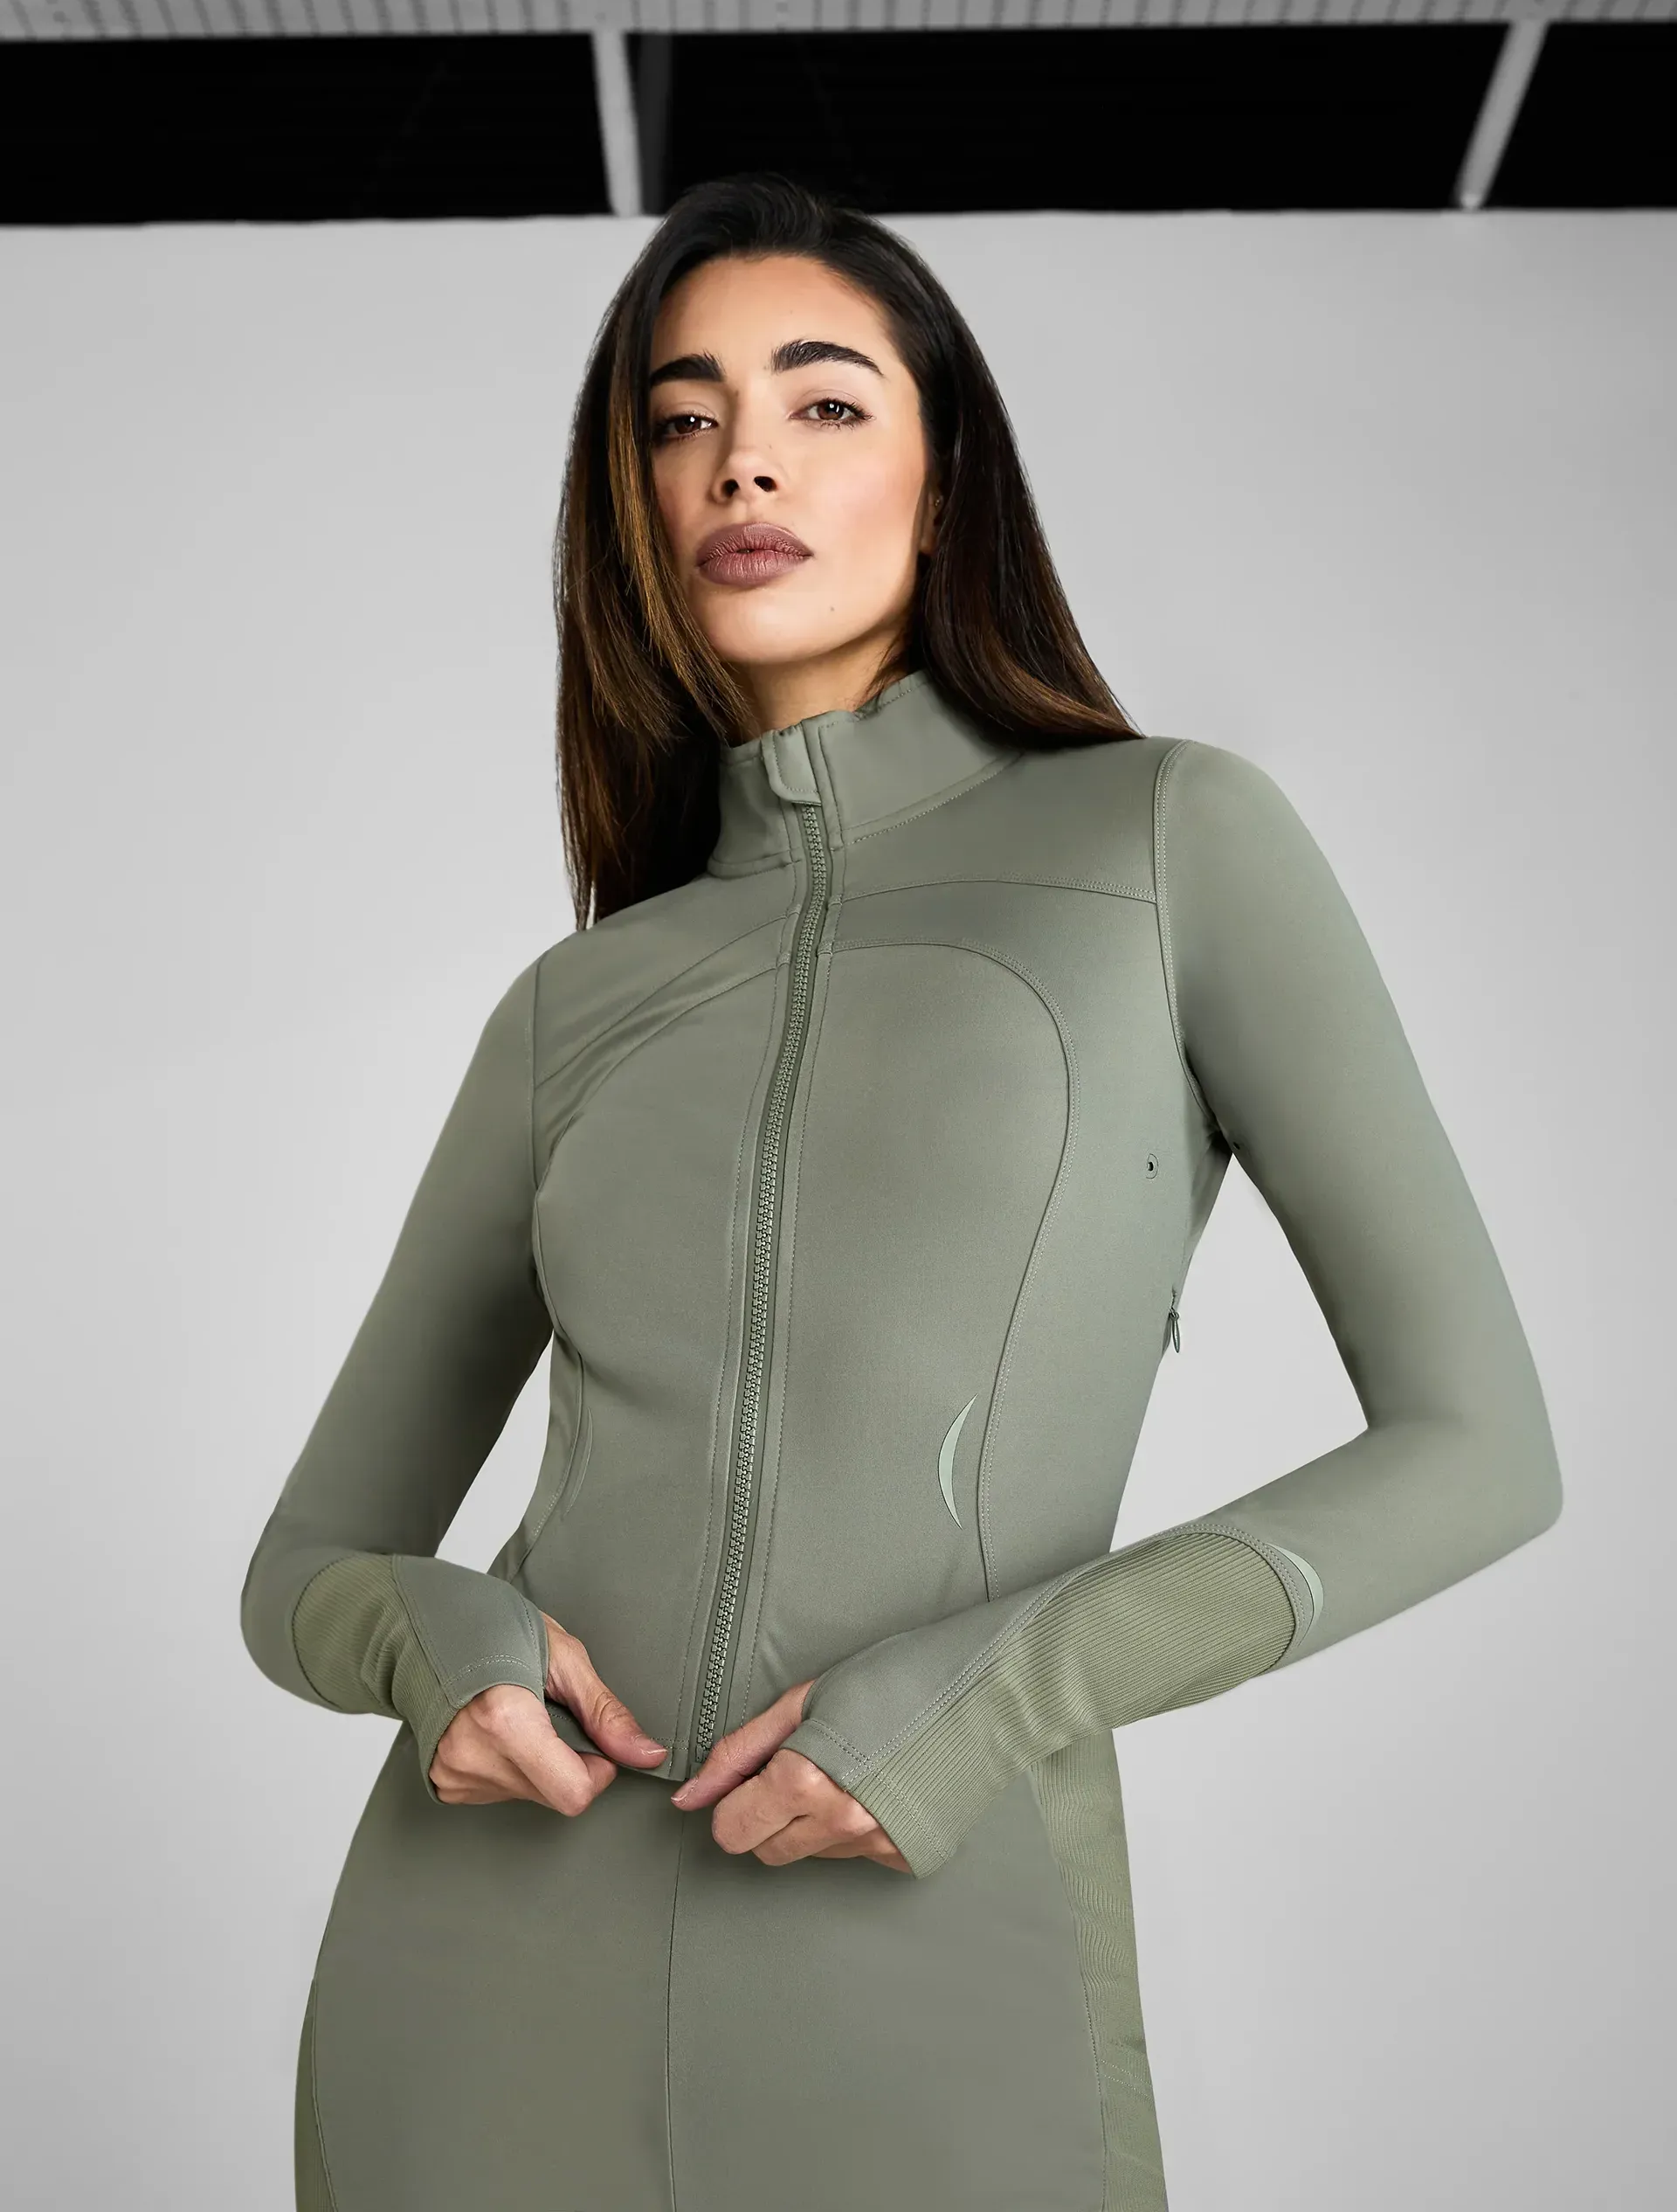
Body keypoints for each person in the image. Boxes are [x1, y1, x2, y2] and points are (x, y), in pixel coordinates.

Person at [240, 171, 1563, 2212]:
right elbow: (305, 1569)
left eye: (824, 401)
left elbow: (1482, 1453)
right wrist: (438, 1636)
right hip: (478, 1984)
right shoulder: (573, 1005)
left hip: (936, 1966)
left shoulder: (1169, 842)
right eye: (680, 418)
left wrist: (998, 1690)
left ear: (946, 489)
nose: (742, 458)